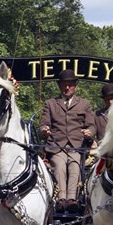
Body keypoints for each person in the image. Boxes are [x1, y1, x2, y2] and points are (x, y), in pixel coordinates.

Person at [39, 69, 95, 213]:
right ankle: (61, 200)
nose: (67, 88)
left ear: (75, 86)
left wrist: (90, 132)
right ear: (59, 86)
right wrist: (44, 130)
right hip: (56, 145)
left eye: (70, 85)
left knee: (75, 165)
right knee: (59, 165)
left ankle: (72, 200)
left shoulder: (84, 104)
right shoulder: (50, 104)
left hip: (76, 146)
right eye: (64, 85)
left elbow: (91, 125)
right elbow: (43, 124)